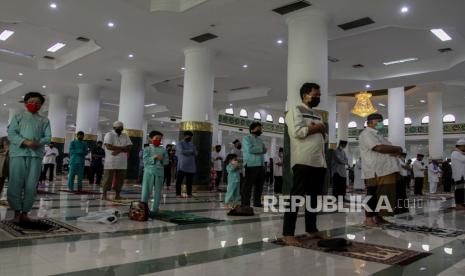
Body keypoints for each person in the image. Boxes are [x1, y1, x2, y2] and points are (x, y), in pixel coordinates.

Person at [282, 83, 327, 246]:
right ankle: (288, 233)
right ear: (305, 95)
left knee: (313, 198)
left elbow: (322, 136)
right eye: (315, 94)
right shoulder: (295, 110)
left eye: (319, 95)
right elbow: (297, 132)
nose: (318, 97)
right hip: (303, 160)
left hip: (318, 161)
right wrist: (318, 128)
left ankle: (312, 229)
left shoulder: (317, 115)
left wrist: (318, 128)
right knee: (296, 197)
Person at [7, 92, 51, 223]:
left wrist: (38, 143)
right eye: (31, 101)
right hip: (18, 153)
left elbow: (48, 137)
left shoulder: (44, 120)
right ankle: (16, 212)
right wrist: (25, 142)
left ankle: (25, 212)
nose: (34, 104)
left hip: (35, 155)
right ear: (25, 103)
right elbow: (11, 133)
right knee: (15, 183)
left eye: (38, 103)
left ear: (41, 105)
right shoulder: (18, 117)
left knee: (31, 185)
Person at [359, 113, 402, 227]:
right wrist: (397, 148)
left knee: (384, 194)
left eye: (381, 121)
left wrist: (393, 149)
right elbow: (379, 148)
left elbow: (388, 148)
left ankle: (379, 217)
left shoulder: (379, 135)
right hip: (374, 170)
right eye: (378, 121)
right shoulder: (366, 134)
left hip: (385, 169)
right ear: (370, 122)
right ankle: (368, 219)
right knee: (372, 194)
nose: (381, 124)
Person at [102, 121, 133, 200]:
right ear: (114, 128)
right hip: (110, 161)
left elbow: (129, 147)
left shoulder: (125, 135)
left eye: (121, 127)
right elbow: (108, 146)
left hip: (122, 162)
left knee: (120, 179)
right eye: (118, 127)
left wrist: (118, 150)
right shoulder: (109, 134)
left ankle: (117, 195)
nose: (120, 129)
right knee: (107, 178)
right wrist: (123, 148)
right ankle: (104, 195)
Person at [141, 131, 168, 215]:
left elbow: (166, 162)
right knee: (146, 191)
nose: (158, 140)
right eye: (156, 138)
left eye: (160, 139)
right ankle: (143, 208)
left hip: (159, 172)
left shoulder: (163, 150)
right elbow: (145, 161)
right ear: (151, 139)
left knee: (158, 191)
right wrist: (154, 157)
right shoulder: (147, 149)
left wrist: (162, 159)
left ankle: (155, 210)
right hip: (149, 172)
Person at [242, 122, 267, 208]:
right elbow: (250, 150)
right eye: (258, 128)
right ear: (252, 129)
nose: (260, 130)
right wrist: (261, 149)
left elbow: (264, 151)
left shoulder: (260, 140)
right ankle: (245, 203)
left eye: (260, 128)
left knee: (259, 185)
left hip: (260, 164)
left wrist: (262, 150)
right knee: (248, 185)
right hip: (251, 164)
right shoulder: (246, 138)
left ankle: (257, 202)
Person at [175, 131, 197, 198]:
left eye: (191, 137)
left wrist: (190, 151)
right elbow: (181, 151)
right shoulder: (179, 143)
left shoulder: (192, 144)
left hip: (191, 165)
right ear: (184, 136)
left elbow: (196, 153)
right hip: (182, 165)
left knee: (189, 181)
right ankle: (178, 194)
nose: (190, 138)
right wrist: (191, 151)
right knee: (179, 181)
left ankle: (189, 194)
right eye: (188, 136)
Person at [451, 139, 465, 210]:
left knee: (461, 190)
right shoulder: (455, 153)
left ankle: (461, 203)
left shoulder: (459, 153)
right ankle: (458, 205)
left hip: (461, 175)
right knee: (459, 190)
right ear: (461, 146)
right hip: (458, 175)